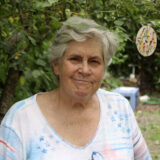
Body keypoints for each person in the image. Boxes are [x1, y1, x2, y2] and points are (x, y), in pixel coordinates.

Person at [0, 16, 151, 160]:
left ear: (103, 69)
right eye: (75, 59)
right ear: (56, 66)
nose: (85, 70)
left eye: (94, 61)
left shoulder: (120, 109)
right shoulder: (22, 119)